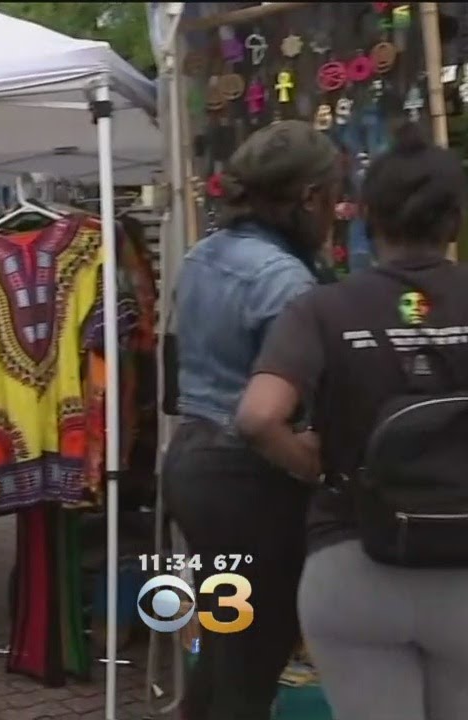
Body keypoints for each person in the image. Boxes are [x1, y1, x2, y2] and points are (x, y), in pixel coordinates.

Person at [236, 125, 468, 720]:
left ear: (365, 216)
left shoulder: (322, 308)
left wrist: (309, 462)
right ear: (454, 219)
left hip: (354, 561)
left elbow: (259, 415)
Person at [162, 120, 341, 720]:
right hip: (248, 479)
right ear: (310, 197)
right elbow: (268, 415)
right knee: (252, 656)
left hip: (193, 464)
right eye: (332, 196)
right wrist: (309, 464)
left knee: (224, 637)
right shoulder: (286, 279)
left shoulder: (203, 254)